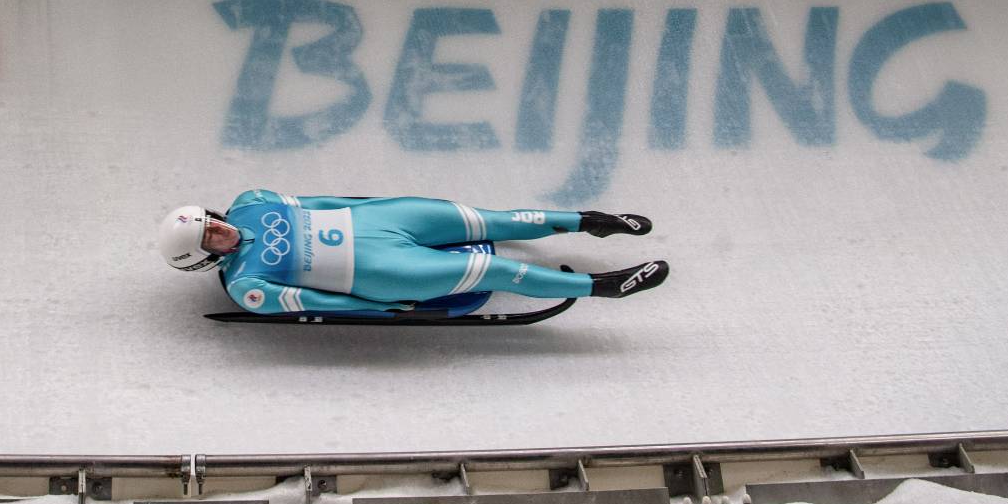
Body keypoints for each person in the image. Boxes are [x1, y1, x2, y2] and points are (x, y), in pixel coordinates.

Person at [157, 189, 668, 316]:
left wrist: (383, 204)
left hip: (381, 220)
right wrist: (377, 308)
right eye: (208, 237)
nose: (219, 229)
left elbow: (327, 201)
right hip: (380, 271)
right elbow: (317, 305)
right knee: (493, 269)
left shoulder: (251, 203)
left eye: (211, 220)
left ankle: (593, 222)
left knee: (495, 220)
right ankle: (601, 286)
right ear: (203, 258)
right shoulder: (247, 285)